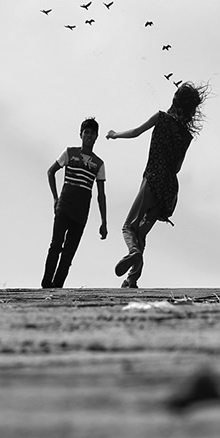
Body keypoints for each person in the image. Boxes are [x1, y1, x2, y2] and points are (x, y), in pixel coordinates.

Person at [106, 82, 208, 288]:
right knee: (141, 234)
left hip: (153, 178)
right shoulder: (186, 136)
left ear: (175, 101)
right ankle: (132, 279)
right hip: (170, 188)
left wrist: (115, 134)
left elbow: (136, 132)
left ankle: (133, 254)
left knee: (128, 228)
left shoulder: (161, 118)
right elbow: (178, 167)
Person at [42, 118, 107, 288]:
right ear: (81, 134)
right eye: (86, 132)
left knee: (68, 254)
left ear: (96, 137)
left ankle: (57, 287)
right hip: (64, 207)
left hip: (81, 213)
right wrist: (55, 199)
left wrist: (104, 222)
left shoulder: (98, 164)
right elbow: (51, 172)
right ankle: (46, 284)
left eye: (92, 133)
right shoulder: (70, 153)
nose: (89, 136)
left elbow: (101, 195)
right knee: (56, 245)